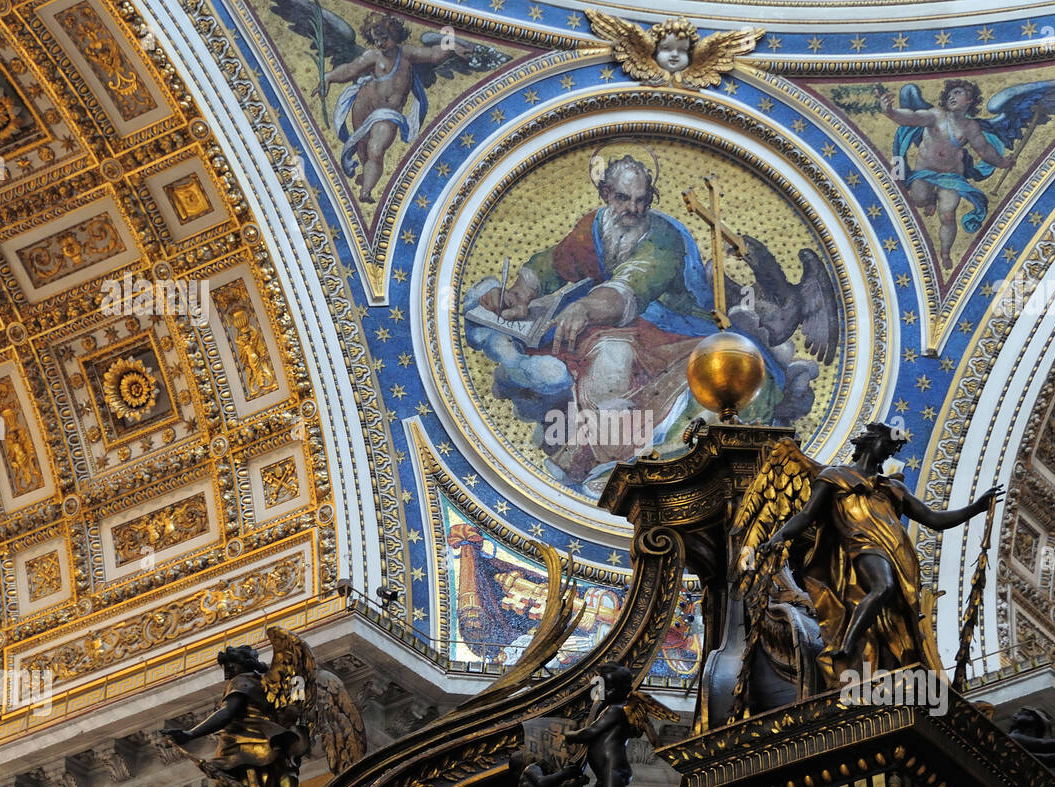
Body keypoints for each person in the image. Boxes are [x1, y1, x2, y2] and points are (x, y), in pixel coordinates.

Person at [473, 155, 781, 488]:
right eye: (622, 198)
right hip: (613, 322)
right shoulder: (595, 225)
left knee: (612, 362)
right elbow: (555, 261)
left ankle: (627, 461)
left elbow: (633, 284)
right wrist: (520, 293)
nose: (632, 208)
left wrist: (585, 309)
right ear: (605, 193)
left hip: (671, 325)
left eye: (641, 200)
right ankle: (597, 457)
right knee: (595, 360)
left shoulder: (665, 239)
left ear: (650, 200)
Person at [760, 423, 1001, 677]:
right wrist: (779, 537)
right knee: (882, 586)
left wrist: (976, 507)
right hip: (860, 544)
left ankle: (885, 666)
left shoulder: (892, 488)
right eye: (886, 444)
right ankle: (846, 645)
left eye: (893, 448)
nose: (889, 450)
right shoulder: (835, 477)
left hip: (898, 553)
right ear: (869, 441)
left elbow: (934, 519)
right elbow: (807, 515)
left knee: (898, 623)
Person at [163, 645, 309, 787]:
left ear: (243, 664)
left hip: (247, 754)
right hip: (257, 753)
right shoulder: (262, 683)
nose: (227, 674)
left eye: (230, 667)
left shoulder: (242, 681)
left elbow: (227, 713)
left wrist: (190, 734)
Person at [316, 13, 469, 203]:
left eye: (384, 39)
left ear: (394, 34)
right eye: (376, 40)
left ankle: (366, 191)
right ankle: (367, 176)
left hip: (388, 114)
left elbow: (432, 55)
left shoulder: (407, 54)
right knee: (363, 148)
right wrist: (328, 77)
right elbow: (350, 69)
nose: (380, 44)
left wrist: (453, 46)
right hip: (364, 107)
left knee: (376, 148)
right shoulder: (373, 56)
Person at [879, 80, 1014, 271]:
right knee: (918, 200)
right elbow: (912, 117)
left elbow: (984, 150)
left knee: (948, 215)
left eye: (958, 92)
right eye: (950, 93)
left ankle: (944, 252)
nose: (951, 96)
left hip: (951, 177)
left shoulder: (970, 127)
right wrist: (891, 111)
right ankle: (930, 200)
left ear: (969, 100)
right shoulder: (935, 116)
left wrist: (1002, 163)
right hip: (924, 173)